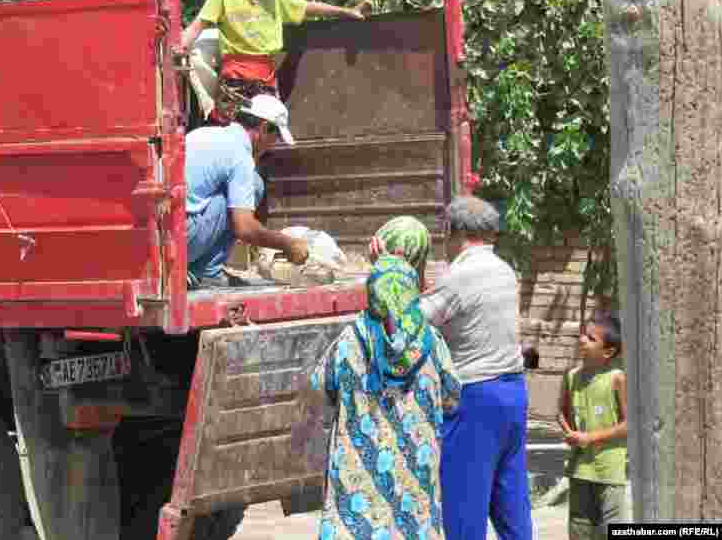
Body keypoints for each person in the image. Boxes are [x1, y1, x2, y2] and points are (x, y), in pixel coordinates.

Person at [310, 216, 461, 540]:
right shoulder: (433, 343)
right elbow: (451, 398)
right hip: (414, 484)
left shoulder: (350, 340)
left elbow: (320, 389)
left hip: (357, 485)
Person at [417, 196, 533, 540]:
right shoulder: (505, 271)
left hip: (475, 399)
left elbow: (412, 323)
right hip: (512, 395)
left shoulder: (460, 275)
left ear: (452, 230)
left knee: (463, 511)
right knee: (511, 505)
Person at [178, 0, 368, 122]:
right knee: (233, 127)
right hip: (235, 76)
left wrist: (347, 11)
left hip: (266, 77)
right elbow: (197, 26)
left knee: (266, 129)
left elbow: (307, 7)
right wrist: (179, 47)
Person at [186, 93, 308, 289]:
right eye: (275, 137)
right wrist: (287, 243)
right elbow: (244, 228)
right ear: (263, 128)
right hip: (180, 238)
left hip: (164, 237)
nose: (273, 146)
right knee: (253, 185)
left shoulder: (204, 133)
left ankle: (196, 270)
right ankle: (206, 272)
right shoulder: (239, 153)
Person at [558, 314, 628, 540]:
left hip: (608, 471)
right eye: (583, 334)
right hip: (579, 469)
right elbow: (561, 412)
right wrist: (568, 430)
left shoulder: (617, 379)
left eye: (590, 338)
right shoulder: (571, 376)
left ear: (608, 352)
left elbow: (630, 425)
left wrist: (589, 438)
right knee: (579, 528)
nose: (582, 340)